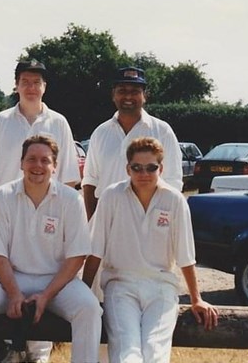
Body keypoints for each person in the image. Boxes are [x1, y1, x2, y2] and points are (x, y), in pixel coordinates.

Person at [0, 135, 102, 363]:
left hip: (58, 283)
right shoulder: (3, 196)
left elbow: (76, 257)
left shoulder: (72, 199)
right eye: (31, 159)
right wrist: (13, 294)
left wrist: (46, 296)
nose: (38, 166)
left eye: (45, 160)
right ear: (21, 163)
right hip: (12, 279)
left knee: (89, 308)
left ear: (55, 166)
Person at [0, 59, 80, 361]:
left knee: (46, 279)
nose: (31, 87)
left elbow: (70, 178)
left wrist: (65, 221)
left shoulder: (58, 122)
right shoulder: (1, 121)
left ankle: (39, 354)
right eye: (25, 81)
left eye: (37, 82)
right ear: (17, 85)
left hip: (48, 215)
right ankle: (14, 347)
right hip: (8, 215)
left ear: (45, 87)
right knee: (9, 282)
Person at [82, 137, 218, 363]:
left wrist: (197, 299)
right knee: (127, 352)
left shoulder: (174, 200)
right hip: (120, 285)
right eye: (137, 167)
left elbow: (185, 255)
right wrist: (84, 293)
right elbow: (95, 251)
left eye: (151, 167)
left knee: (155, 352)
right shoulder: (111, 196)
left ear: (161, 168)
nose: (143, 173)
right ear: (128, 168)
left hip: (161, 287)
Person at [82, 66, 183, 220]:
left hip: (147, 221)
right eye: (122, 91)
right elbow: (90, 182)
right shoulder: (100, 133)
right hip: (107, 221)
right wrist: (92, 223)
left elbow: (173, 183)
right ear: (113, 95)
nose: (128, 96)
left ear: (145, 96)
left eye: (135, 91)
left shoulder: (162, 131)